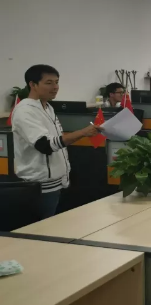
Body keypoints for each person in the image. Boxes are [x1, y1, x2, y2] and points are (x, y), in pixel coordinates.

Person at [11, 65, 101, 219]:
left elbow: (58, 140)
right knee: (41, 228)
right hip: (40, 186)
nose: (55, 87)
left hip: (58, 182)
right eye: (49, 83)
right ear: (32, 84)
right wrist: (82, 132)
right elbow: (45, 145)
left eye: (57, 82)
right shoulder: (25, 110)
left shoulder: (47, 107)